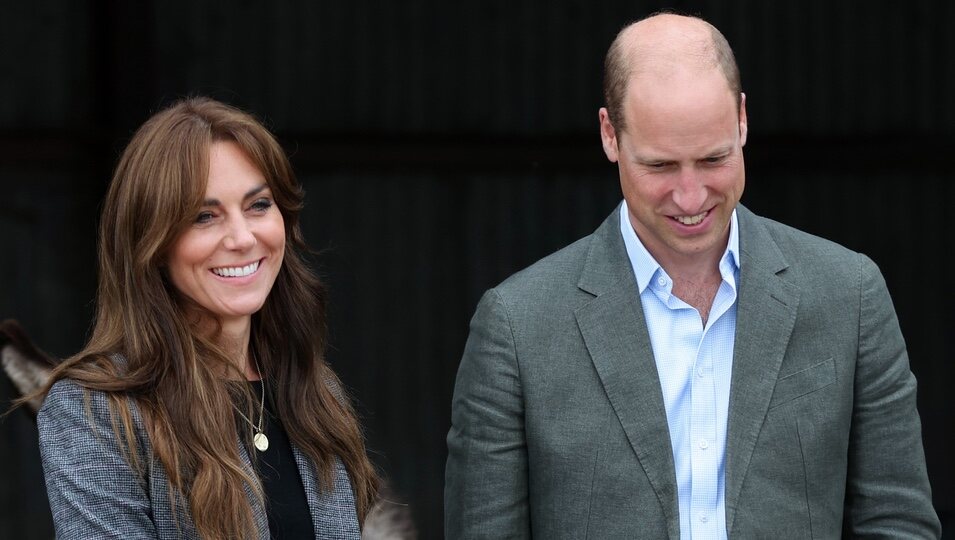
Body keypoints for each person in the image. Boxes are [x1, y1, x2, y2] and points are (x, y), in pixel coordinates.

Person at [445, 12, 941, 539]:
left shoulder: (849, 294)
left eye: (713, 159)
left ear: (743, 120)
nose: (690, 196)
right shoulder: (518, 325)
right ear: (610, 135)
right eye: (660, 166)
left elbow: (897, 522)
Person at [35, 97, 379, 539]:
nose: (242, 237)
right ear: (152, 244)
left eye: (258, 205)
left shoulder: (315, 390)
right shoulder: (95, 412)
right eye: (204, 216)